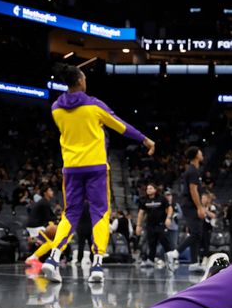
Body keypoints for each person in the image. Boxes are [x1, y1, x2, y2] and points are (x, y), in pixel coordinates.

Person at [41, 64, 154, 283]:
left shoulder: (56, 108)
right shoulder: (94, 105)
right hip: (96, 167)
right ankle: (97, 266)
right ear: (81, 81)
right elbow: (120, 126)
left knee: (70, 214)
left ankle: (52, 259)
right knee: (100, 213)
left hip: (71, 167)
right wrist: (144, 139)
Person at [173, 146, 206, 272]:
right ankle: (176, 252)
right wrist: (200, 207)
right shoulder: (192, 171)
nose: (202, 153)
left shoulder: (194, 170)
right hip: (190, 205)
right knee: (196, 233)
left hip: (190, 204)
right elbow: (193, 190)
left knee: (197, 234)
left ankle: (194, 262)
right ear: (196, 155)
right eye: (200, 152)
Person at [136, 184, 178, 272]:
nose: (148, 190)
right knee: (151, 243)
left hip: (161, 224)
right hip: (150, 225)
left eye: (150, 188)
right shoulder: (144, 200)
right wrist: (138, 225)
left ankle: (170, 259)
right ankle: (150, 260)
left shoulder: (161, 198)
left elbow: (169, 208)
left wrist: (168, 218)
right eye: (147, 188)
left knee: (164, 242)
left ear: (155, 190)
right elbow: (141, 213)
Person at [25, 185, 57, 267]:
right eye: (50, 190)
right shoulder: (44, 203)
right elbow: (48, 218)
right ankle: (33, 258)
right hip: (35, 226)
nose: (52, 192)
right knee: (50, 243)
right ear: (45, 193)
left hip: (37, 225)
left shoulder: (44, 202)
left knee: (48, 242)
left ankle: (35, 258)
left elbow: (51, 216)